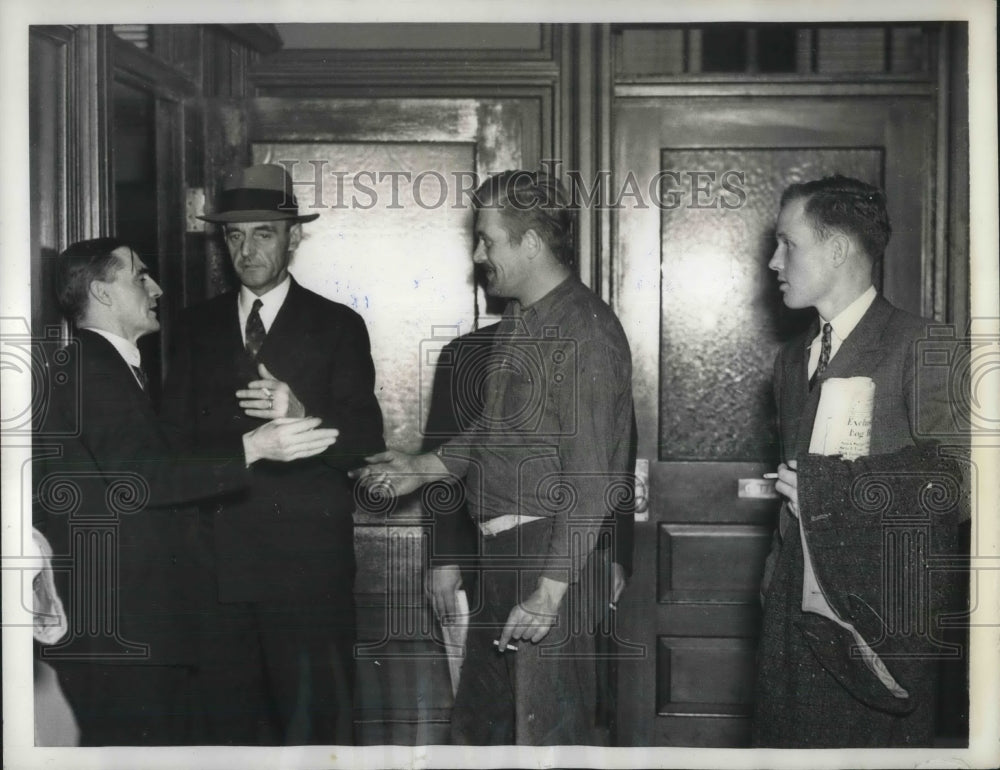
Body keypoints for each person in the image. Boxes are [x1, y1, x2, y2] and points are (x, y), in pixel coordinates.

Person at [353, 169, 636, 745]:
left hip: (546, 555)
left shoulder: (584, 332)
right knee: (482, 732)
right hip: (502, 554)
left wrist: (550, 592)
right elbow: (492, 432)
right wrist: (420, 467)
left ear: (530, 243)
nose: (479, 255)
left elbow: (591, 479)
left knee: (545, 736)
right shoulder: (518, 320)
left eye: (488, 240)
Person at [33, 237, 337, 746]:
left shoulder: (111, 367)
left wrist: (270, 425)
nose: (156, 288)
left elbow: (165, 455)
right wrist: (252, 448)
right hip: (121, 623)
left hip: (136, 616)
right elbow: (142, 476)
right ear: (102, 293)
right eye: (140, 276)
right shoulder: (90, 369)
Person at [160, 163, 385, 745]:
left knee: (315, 731)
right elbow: (172, 448)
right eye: (233, 235)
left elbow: (365, 445)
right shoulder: (192, 327)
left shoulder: (338, 326)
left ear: (294, 236)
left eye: (262, 233)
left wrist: (301, 409)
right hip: (218, 571)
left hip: (306, 574)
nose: (246, 248)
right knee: (229, 737)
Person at [753, 175, 967, 747]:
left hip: (874, 629)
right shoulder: (791, 359)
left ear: (839, 248)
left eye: (787, 244)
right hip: (792, 626)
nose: (774, 261)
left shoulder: (922, 344)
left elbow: (960, 480)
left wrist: (836, 489)